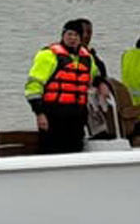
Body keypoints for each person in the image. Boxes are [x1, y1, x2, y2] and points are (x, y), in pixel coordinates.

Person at [24, 20, 100, 154]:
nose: (72, 38)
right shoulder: (48, 55)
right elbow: (33, 86)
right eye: (69, 34)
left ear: (81, 38)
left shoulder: (87, 58)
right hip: (53, 115)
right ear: (63, 35)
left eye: (76, 35)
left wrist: (102, 84)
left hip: (77, 116)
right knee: (50, 153)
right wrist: (39, 113)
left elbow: (96, 76)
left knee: (75, 151)